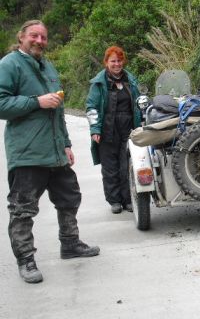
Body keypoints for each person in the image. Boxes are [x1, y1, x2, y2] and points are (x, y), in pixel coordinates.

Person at [0, 20, 100, 284]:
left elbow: (57, 111)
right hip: (27, 152)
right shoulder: (10, 64)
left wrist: (66, 144)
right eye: (34, 35)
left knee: (69, 197)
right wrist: (36, 102)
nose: (39, 41)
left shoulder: (48, 66)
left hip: (54, 151)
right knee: (23, 209)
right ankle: (26, 261)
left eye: (43, 37)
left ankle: (70, 244)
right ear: (21, 37)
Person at [86, 46, 141, 214]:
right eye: (113, 61)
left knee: (127, 165)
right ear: (106, 62)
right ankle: (114, 201)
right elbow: (92, 107)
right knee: (110, 167)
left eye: (119, 60)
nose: (117, 64)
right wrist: (95, 129)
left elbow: (139, 103)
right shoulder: (98, 83)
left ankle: (128, 200)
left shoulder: (130, 81)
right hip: (107, 130)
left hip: (128, 129)